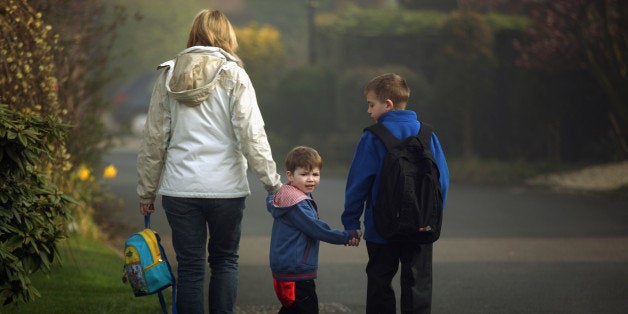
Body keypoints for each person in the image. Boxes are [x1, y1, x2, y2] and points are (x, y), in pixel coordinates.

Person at [136, 9, 283, 314]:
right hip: (226, 189)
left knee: (189, 267)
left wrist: (147, 192)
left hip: (179, 189)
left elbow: (154, 138)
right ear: (227, 35)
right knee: (225, 261)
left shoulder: (169, 74)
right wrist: (272, 183)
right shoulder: (235, 75)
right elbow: (251, 134)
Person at [341, 73, 450, 314]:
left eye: (371, 104)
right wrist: (430, 215)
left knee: (380, 282)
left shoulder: (373, 137)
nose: (369, 111)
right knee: (418, 284)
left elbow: (358, 183)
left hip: (382, 228)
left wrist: (351, 221)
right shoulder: (428, 134)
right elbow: (442, 180)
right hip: (421, 227)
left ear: (387, 104)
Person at [267, 146, 360, 314]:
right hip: (295, 270)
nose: (311, 179)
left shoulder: (290, 194)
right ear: (290, 175)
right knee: (305, 309)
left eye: (315, 174)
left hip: (289, 267)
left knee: (293, 309)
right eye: (304, 174)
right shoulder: (297, 203)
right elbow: (317, 229)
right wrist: (346, 236)